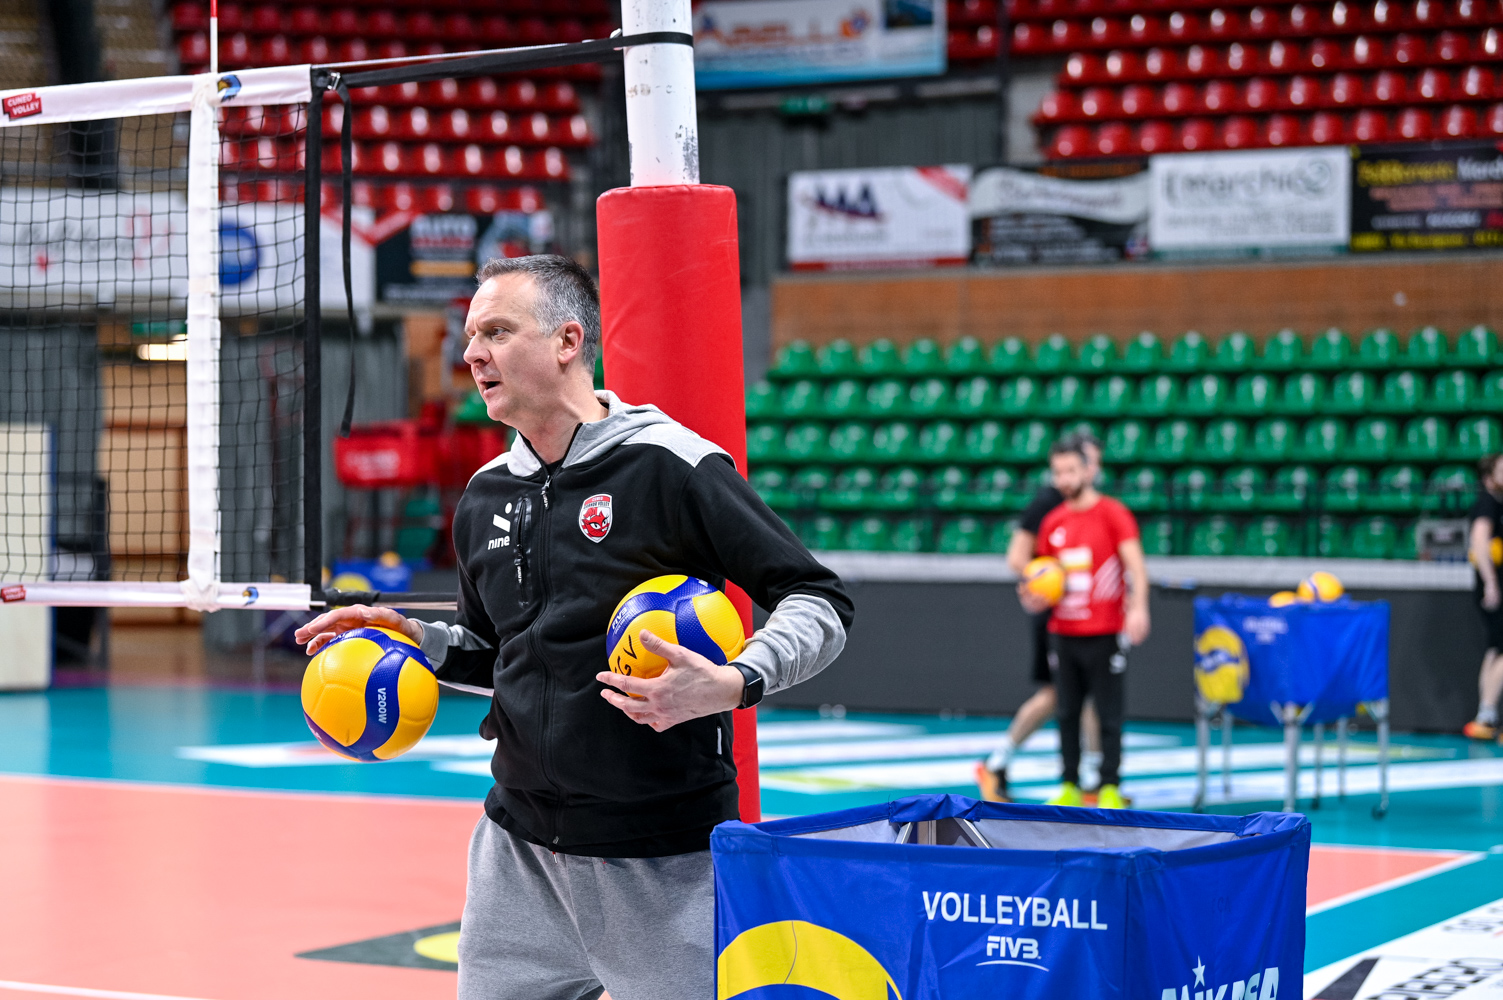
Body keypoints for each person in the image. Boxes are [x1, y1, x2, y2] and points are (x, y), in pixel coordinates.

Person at [294, 255, 855, 1000]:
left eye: (496, 330)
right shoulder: (484, 495)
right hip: (516, 855)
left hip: (658, 857)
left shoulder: (670, 466)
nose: (471, 354)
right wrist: (413, 640)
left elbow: (817, 598)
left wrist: (735, 680)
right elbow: (500, 653)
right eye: (469, 336)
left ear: (567, 341)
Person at [1018, 437, 1150, 809]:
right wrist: (1031, 594)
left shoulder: (1113, 513)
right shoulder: (1053, 521)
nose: (1063, 478)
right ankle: (1069, 783)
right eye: (1057, 472)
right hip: (1063, 631)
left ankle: (1109, 784)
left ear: (1087, 470)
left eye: (1070, 470)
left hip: (1105, 630)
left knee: (1109, 710)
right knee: (1066, 712)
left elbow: (1135, 565)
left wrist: (1138, 607)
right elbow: (1042, 575)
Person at [975, 432, 1102, 803]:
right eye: (1088, 460)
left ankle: (1000, 763)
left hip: (1086, 615)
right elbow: (1018, 557)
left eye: (1094, 462)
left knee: (1072, 694)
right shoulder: (1047, 503)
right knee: (1069, 693)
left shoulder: (1091, 507)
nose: (1092, 469)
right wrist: (1049, 578)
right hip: (1056, 616)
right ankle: (1090, 782)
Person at [1464, 452, 1503, 741]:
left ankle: (1486, 714)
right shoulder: (1487, 503)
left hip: (1495, 583)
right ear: (1489, 477)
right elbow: (1479, 543)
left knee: (1494, 649)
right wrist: (1490, 583)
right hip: (1495, 584)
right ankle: (1487, 713)